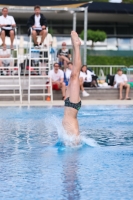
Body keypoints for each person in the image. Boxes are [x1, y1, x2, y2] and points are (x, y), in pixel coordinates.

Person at [62, 31, 82, 138]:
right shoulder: (75, 140)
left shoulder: (73, 141)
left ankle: (76, 46)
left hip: (69, 105)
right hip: (72, 106)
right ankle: (77, 46)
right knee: (75, 75)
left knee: (73, 76)